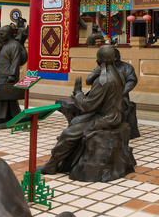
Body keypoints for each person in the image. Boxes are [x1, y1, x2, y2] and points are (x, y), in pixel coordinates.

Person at [42, 45, 124, 175]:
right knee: (76, 121)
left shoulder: (104, 80)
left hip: (105, 119)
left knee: (69, 133)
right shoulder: (119, 75)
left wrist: (78, 93)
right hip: (113, 116)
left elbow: (88, 106)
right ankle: (65, 161)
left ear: (99, 61)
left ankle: (52, 164)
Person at [86, 46, 139, 138]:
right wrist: (97, 72)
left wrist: (119, 93)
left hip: (119, 98)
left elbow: (132, 81)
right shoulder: (101, 68)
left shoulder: (127, 68)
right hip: (100, 96)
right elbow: (88, 81)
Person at [0, 23, 26, 129]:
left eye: (2, 34)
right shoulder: (5, 45)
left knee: (2, 96)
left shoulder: (14, 45)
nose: (0, 36)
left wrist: (12, 75)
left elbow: (15, 61)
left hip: (8, 76)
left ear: (9, 35)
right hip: (2, 74)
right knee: (9, 98)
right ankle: (13, 115)